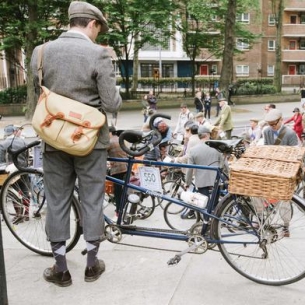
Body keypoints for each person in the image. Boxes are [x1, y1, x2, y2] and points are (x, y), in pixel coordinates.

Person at [30, 1, 122, 287]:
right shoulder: (99, 54)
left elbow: (37, 94)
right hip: (90, 142)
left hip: (54, 139)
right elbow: (110, 103)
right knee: (92, 199)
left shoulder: (41, 52)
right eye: (98, 29)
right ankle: (92, 265)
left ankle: (60, 268)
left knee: (57, 201)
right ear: (92, 24)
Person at [183, 126, 225, 219]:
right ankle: (215, 220)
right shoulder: (217, 148)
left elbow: (189, 169)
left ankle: (206, 221)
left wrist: (187, 182)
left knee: (205, 203)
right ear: (208, 135)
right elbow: (223, 164)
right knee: (215, 203)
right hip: (215, 179)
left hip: (201, 181)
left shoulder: (193, 150)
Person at [0, 125, 28, 224]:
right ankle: (27, 214)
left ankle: (19, 214)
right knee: (25, 190)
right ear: (14, 132)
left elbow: (2, 160)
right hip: (24, 169)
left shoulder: (4, 143)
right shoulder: (23, 141)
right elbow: (27, 155)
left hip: (12, 171)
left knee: (14, 193)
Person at [107, 126, 128, 221]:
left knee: (118, 191)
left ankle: (119, 211)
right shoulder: (120, 139)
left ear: (110, 133)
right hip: (126, 167)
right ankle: (123, 208)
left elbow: (102, 153)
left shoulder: (110, 142)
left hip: (118, 168)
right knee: (123, 189)